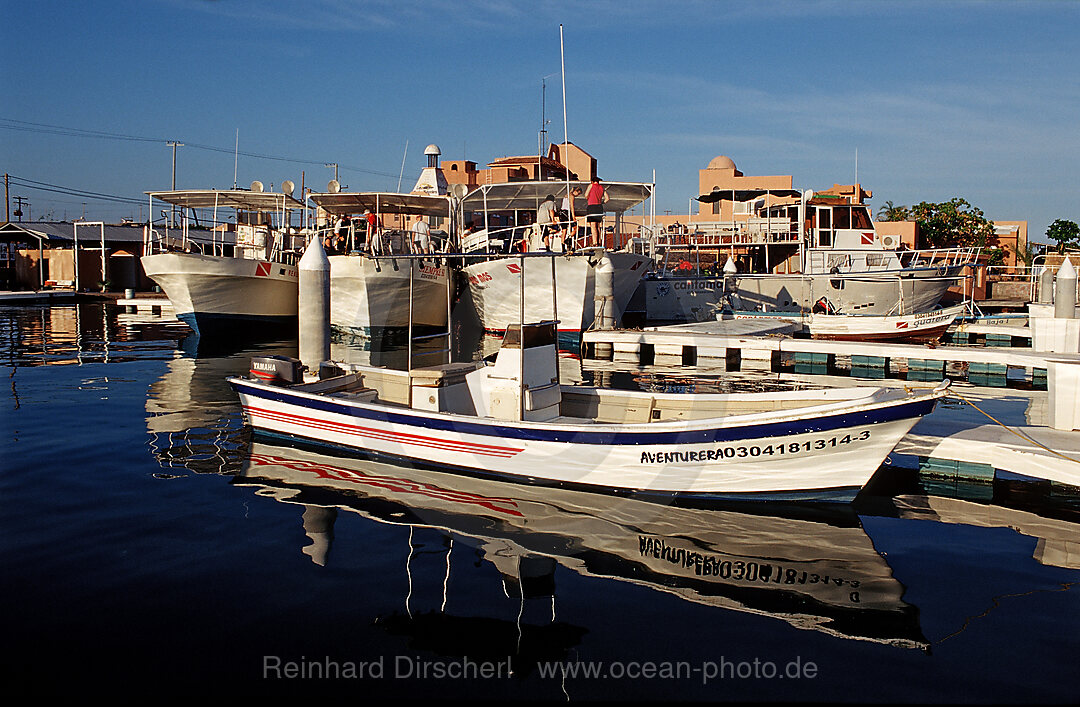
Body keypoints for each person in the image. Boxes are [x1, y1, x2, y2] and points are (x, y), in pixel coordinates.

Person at [585, 177, 608, 247]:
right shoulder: (602, 188)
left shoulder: (591, 186)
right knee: (598, 226)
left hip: (592, 206)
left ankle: (595, 242)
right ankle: (599, 241)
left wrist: (589, 198)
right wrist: (602, 202)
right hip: (599, 207)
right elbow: (607, 199)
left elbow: (586, 195)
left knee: (593, 225)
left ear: (592, 181)